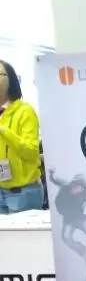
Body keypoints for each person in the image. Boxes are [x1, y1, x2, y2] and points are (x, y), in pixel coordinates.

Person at [0, 60, 44, 215]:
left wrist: (4, 131)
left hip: (23, 192)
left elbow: (31, 152)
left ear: (10, 79)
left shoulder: (25, 111)